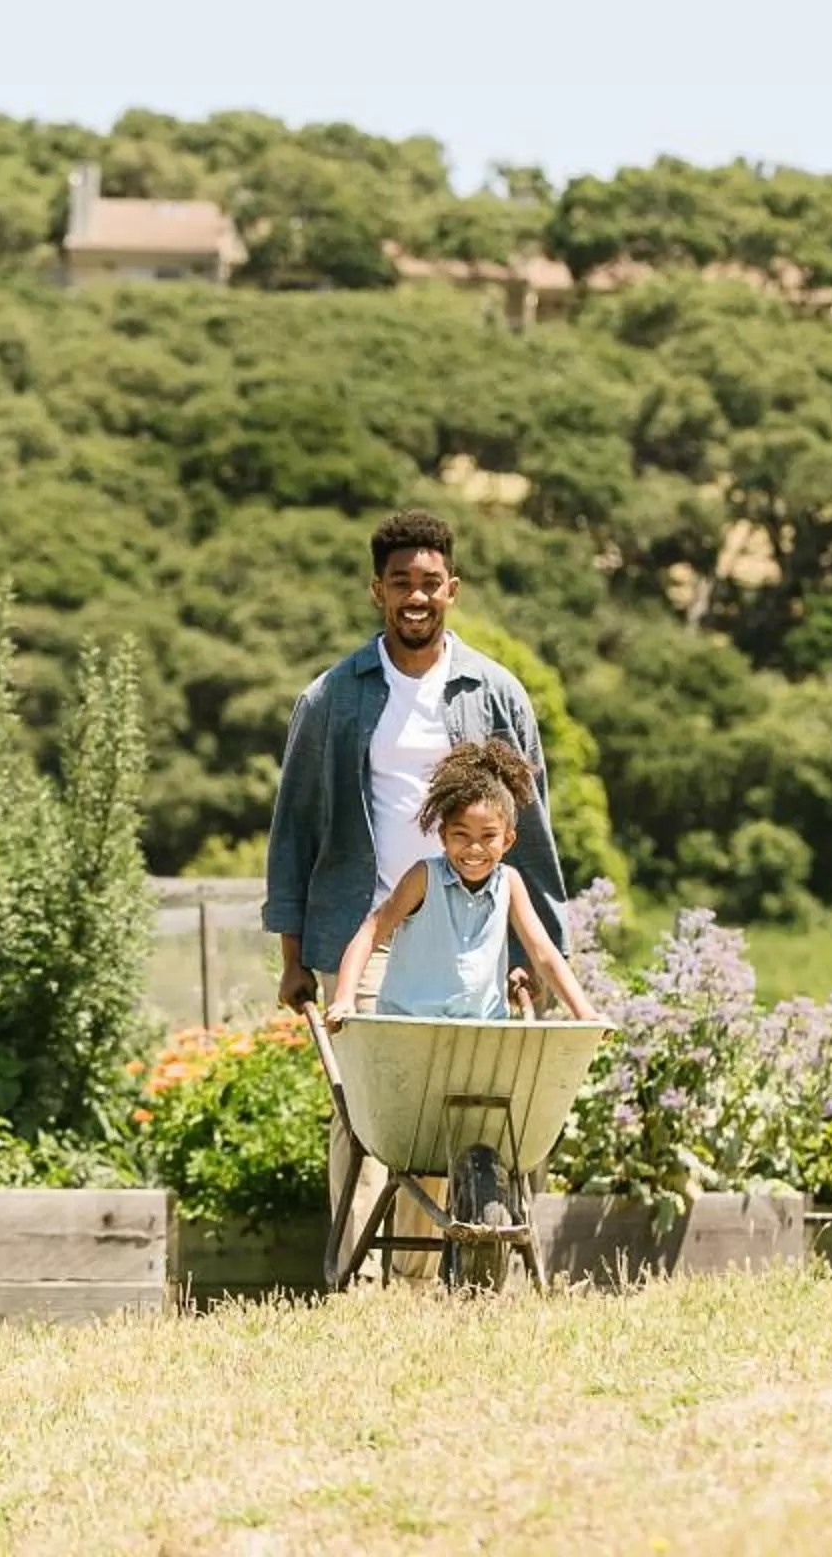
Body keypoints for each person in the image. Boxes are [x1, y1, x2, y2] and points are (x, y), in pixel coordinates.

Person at [265, 507, 568, 1275]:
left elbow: (530, 835)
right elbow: (293, 832)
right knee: (369, 1108)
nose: (415, 597)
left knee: (461, 1104)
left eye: (429, 583)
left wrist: (538, 948)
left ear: (452, 590)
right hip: (364, 930)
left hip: (469, 933)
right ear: (377, 591)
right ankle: (355, 1278)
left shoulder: (494, 694)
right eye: (400, 583)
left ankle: (429, 1275)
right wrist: (294, 956)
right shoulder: (332, 698)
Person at [324, 738, 593, 1027]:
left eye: (488, 836)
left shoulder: (509, 883)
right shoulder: (424, 877)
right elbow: (372, 931)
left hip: (481, 1030)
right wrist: (343, 997)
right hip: (411, 1026)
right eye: (461, 835)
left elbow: (543, 952)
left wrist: (584, 1012)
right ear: (443, 836)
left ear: (508, 840)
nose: (474, 849)